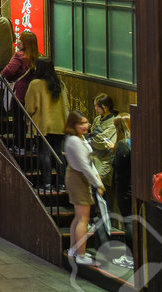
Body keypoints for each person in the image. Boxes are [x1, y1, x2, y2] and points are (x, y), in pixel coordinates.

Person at [65, 110, 106, 266]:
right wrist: (97, 183)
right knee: (83, 218)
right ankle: (80, 255)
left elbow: (88, 164)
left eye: (86, 122)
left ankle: (73, 250)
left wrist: (97, 179)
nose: (86, 126)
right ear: (73, 125)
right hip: (78, 179)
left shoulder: (78, 139)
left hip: (79, 177)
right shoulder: (74, 141)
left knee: (78, 217)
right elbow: (84, 166)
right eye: (81, 123)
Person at [25, 57, 68, 195]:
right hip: (59, 123)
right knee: (57, 154)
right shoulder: (59, 84)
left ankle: (47, 183)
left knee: (44, 153)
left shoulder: (35, 84)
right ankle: (61, 184)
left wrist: (28, 119)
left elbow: (30, 107)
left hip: (42, 124)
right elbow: (66, 105)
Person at [111, 114, 135, 270]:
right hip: (137, 186)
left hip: (125, 187)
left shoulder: (123, 145)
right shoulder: (140, 142)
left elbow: (117, 165)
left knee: (128, 222)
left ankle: (130, 257)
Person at [89, 93, 119, 197]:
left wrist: (93, 137)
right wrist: (93, 137)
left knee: (98, 185)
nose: (96, 108)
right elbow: (92, 136)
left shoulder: (114, 122)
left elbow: (103, 142)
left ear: (105, 107)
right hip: (93, 156)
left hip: (105, 160)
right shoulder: (97, 119)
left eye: (98, 106)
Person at [1, 31, 41, 104]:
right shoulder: (38, 56)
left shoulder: (19, 56)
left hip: (19, 91)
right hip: (33, 91)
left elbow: (8, 71)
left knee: (18, 112)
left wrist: (4, 75)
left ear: (25, 43)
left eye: (20, 39)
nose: (18, 41)